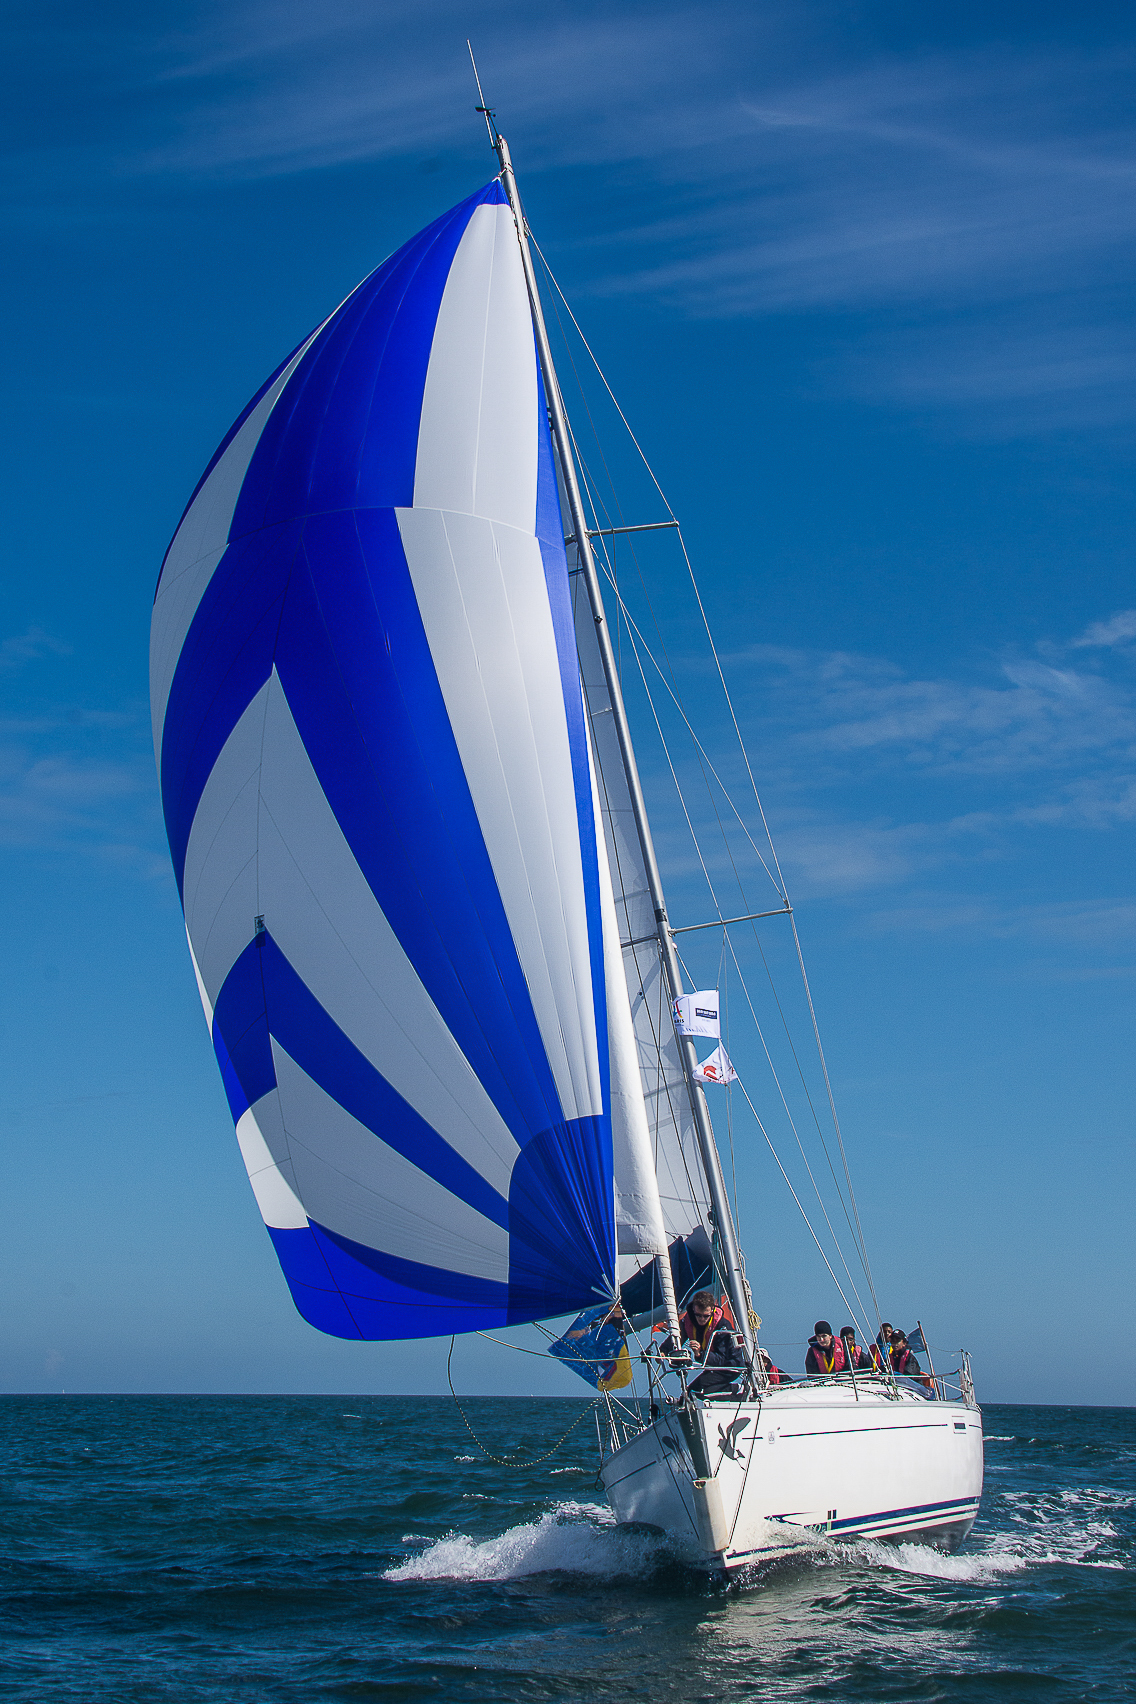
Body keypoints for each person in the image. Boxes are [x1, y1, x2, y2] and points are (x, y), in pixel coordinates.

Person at [662, 1289, 745, 1396]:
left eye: (706, 1316)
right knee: (690, 1392)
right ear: (693, 1309)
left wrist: (699, 1354)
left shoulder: (722, 1327)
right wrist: (663, 1351)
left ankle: (737, 1389)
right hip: (713, 1366)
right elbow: (679, 1335)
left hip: (730, 1366)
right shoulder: (688, 1320)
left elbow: (722, 1359)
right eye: (698, 1315)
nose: (701, 1319)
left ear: (712, 1310)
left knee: (696, 1390)